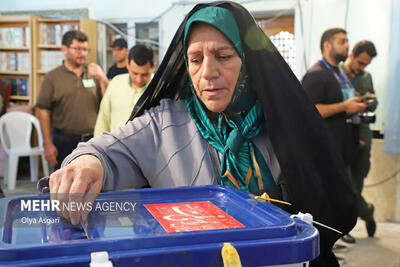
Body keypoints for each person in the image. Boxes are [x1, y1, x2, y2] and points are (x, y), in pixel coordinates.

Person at [48, 3, 357, 266]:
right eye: (195, 60)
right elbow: (106, 151)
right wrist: (89, 162)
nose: (207, 72)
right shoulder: (163, 124)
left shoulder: (283, 122)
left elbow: (327, 202)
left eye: (223, 56)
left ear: (248, 62)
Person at [301, 28, 374, 244]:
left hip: (344, 148)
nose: (347, 45)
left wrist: (357, 102)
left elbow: (342, 103)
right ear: (327, 45)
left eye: (347, 41)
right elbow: (310, 110)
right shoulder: (316, 74)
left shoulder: (338, 73)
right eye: (342, 41)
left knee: (344, 196)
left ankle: (335, 237)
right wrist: (345, 106)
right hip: (327, 150)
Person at [36, 30, 108, 170]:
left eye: (85, 49)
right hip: (64, 141)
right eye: (77, 49)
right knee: (64, 186)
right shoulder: (52, 77)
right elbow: (43, 112)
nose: (82, 53)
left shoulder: (94, 73)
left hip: (92, 140)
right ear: (64, 49)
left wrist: (103, 78)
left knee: (93, 185)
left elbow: (107, 103)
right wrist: (47, 143)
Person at [340, 40, 378, 237]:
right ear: (352, 55)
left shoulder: (366, 77)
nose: (362, 68)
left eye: (366, 65)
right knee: (348, 190)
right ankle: (366, 212)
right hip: (343, 138)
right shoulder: (337, 72)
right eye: (361, 63)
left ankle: (360, 217)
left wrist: (369, 100)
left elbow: (373, 105)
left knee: (356, 187)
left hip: (363, 138)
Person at [94, 44, 154, 137]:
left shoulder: (159, 87)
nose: (139, 79)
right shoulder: (116, 82)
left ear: (153, 67)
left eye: (144, 74)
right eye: (135, 73)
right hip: (113, 147)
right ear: (128, 65)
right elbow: (103, 119)